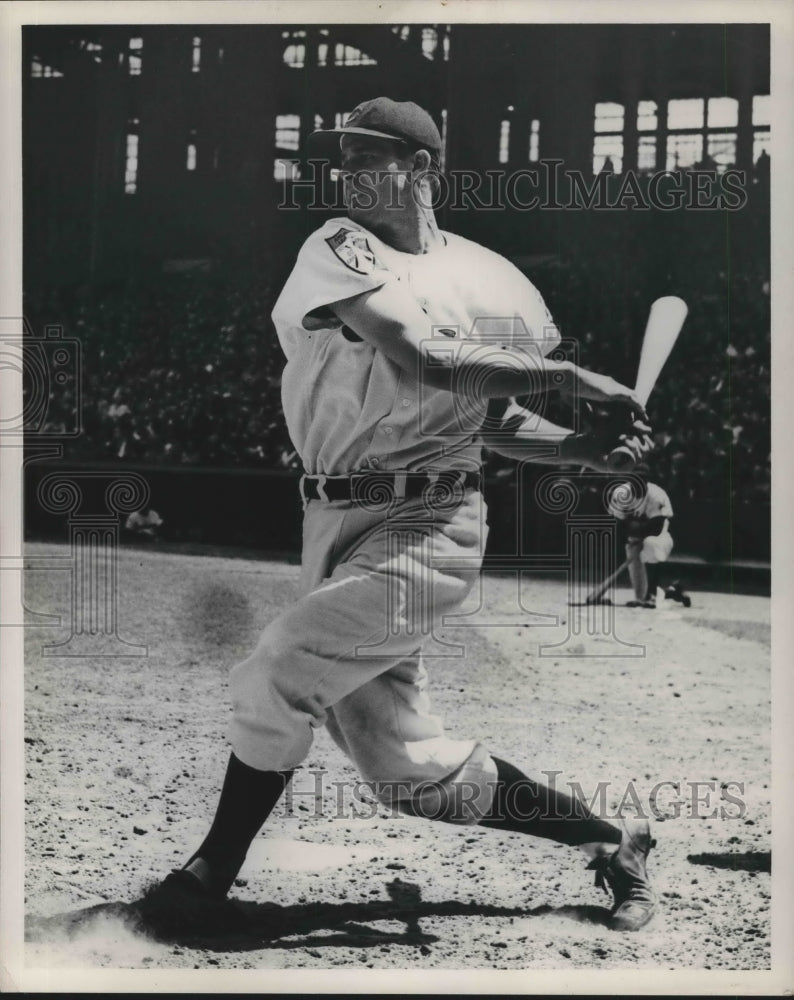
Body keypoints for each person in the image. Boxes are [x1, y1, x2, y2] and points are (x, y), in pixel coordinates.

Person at [147, 98, 658, 934]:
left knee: (282, 664)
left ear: (422, 167)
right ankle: (613, 838)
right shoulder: (337, 246)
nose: (344, 171)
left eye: (366, 156)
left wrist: (583, 452)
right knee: (404, 767)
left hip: (434, 521)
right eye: (340, 156)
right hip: (334, 520)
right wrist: (569, 378)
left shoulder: (497, 281)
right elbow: (423, 355)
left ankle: (206, 879)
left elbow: (491, 421)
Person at [607, 471, 691, 609]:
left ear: (646, 481)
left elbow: (657, 527)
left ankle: (652, 594)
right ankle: (670, 592)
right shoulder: (621, 494)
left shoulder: (657, 495)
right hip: (636, 535)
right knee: (642, 594)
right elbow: (619, 523)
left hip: (661, 535)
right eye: (635, 479)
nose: (638, 483)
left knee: (650, 545)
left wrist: (637, 530)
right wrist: (629, 537)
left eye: (642, 479)